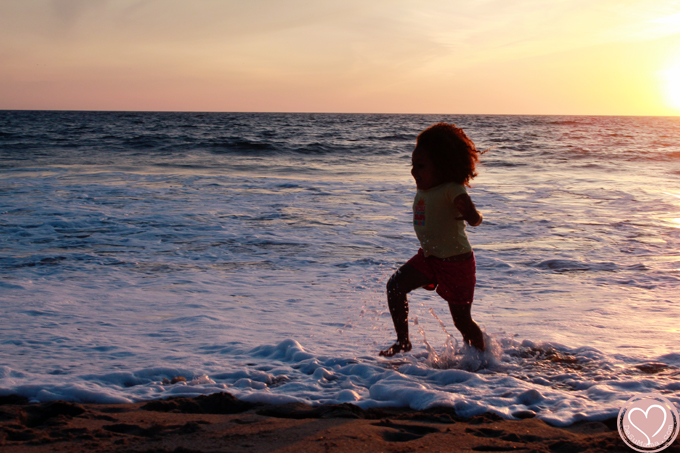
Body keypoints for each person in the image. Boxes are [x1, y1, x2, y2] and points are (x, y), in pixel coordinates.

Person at [380, 123, 486, 357]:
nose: (413, 171)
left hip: (456, 264)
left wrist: (471, 214)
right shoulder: (425, 189)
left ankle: (484, 360)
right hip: (429, 257)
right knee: (395, 286)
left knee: (462, 321)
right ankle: (403, 341)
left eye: (421, 166)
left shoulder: (452, 189)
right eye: (412, 165)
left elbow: (474, 218)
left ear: (442, 166)